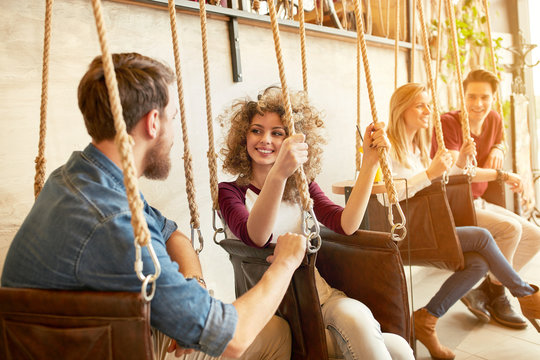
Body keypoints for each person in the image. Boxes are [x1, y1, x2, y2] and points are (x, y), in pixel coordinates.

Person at [1, 53, 308, 360]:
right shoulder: (115, 221)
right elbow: (235, 339)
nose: (174, 134)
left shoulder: (85, 175)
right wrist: (284, 263)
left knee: (270, 330)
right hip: (97, 348)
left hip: (103, 337)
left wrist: (194, 287)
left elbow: (172, 234)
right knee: (275, 335)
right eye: (172, 118)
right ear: (152, 122)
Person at [217, 86, 414, 360]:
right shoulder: (230, 192)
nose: (266, 140)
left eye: (278, 133)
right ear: (243, 136)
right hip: (280, 311)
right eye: (256, 130)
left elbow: (346, 224)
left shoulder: (302, 186)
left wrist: (369, 163)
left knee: (396, 346)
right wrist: (279, 174)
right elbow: (256, 236)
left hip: (320, 296)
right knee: (389, 348)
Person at [386, 83, 540, 359]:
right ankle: (525, 294)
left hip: (425, 225)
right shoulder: (387, 146)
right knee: (482, 237)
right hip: (404, 231)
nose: (428, 111)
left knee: (478, 262)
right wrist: (429, 173)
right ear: (402, 108)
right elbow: (388, 197)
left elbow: (440, 182)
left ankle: (426, 318)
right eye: (421, 105)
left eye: (429, 105)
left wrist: (461, 163)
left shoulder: (417, 148)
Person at [432, 69, 540, 329]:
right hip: (451, 204)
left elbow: (499, 138)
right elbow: (457, 171)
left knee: (535, 236)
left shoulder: (494, 119)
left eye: (484, 97)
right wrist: (501, 174)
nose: (478, 104)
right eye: (471, 97)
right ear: (462, 96)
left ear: (494, 98)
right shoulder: (448, 123)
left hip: (477, 201)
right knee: (510, 230)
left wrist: (498, 147)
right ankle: (501, 294)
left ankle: (489, 289)